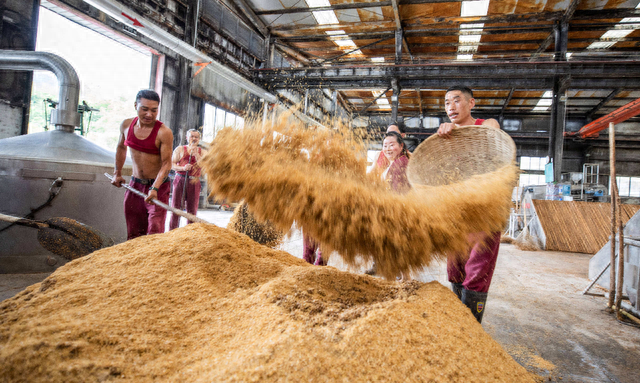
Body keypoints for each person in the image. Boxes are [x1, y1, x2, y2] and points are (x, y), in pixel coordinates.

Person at [437, 85, 501, 323]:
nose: (450, 107)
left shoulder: (485, 124)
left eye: (456, 101)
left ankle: (471, 330)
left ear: (471, 103)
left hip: (485, 209)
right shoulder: (445, 135)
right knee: (455, 268)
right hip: (457, 210)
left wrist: (460, 132)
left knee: (477, 268)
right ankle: (459, 329)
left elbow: (493, 131)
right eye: (446, 103)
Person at [110, 89, 174, 240]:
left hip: (158, 188)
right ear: (135, 106)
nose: (149, 114)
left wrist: (155, 188)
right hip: (135, 186)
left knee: (154, 232)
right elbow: (120, 148)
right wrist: (117, 173)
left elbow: (166, 164)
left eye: (154, 110)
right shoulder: (126, 125)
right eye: (144, 109)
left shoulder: (164, 132)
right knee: (134, 232)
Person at [169, 129, 206, 230]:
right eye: (191, 136)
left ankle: (190, 233)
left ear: (199, 139)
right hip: (180, 179)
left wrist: (196, 154)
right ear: (187, 138)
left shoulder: (202, 152)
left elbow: (204, 166)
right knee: (176, 208)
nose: (194, 139)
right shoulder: (180, 149)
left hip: (194, 181)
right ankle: (172, 232)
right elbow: (171, 165)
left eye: (196, 137)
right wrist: (182, 168)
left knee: (192, 210)